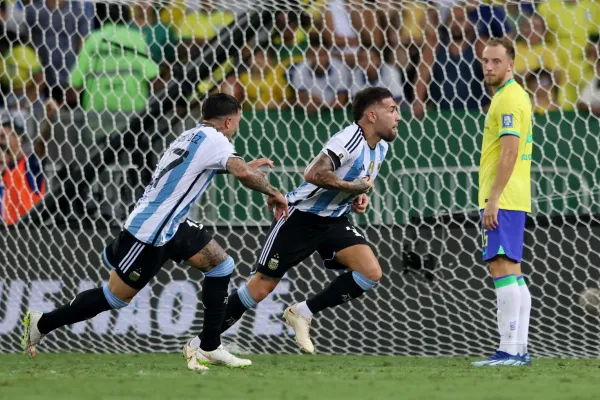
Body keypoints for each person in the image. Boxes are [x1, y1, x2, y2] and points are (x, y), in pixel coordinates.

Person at [21, 93, 289, 371]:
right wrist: (274, 192)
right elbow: (244, 175)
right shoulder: (217, 141)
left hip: (172, 224)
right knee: (115, 297)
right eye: (238, 122)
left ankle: (209, 346)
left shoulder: (190, 135)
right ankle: (42, 322)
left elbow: (202, 169)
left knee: (221, 266)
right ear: (229, 120)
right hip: (150, 230)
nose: (238, 127)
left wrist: (244, 167)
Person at [182, 87, 400, 356]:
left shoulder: (382, 147)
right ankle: (201, 343)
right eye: (391, 110)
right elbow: (313, 173)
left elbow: (358, 183)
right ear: (371, 115)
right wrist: (349, 186)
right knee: (260, 289)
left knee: (370, 273)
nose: (398, 116)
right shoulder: (350, 138)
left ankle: (301, 312)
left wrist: (358, 197)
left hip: (333, 220)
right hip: (300, 217)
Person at [472, 38, 533, 367]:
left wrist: (493, 199)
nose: (489, 67)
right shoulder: (514, 96)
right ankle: (519, 349)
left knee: (501, 268)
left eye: (496, 61)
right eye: (485, 61)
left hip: (504, 196)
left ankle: (509, 350)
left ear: (511, 64)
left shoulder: (507, 99)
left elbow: (509, 151)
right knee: (514, 272)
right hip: (515, 195)